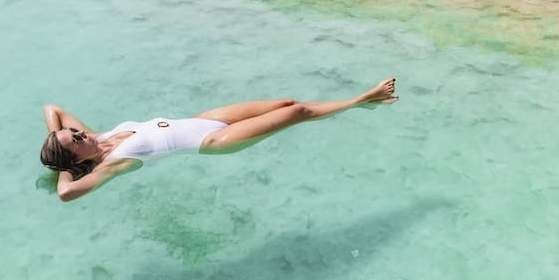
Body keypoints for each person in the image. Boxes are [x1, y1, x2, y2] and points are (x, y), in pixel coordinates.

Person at [40, 78, 398, 202]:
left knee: (284, 103)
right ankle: (362, 100)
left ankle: (356, 105)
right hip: (213, 139)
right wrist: (65, 168)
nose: (79, 131)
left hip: (202, 119)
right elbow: (66, 193)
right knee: (298, 111)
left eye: (74, 131)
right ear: (76, 158)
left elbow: (52, 108)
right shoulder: (111, 164)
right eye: (75, 139)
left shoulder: (99, 137)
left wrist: (59, 145)